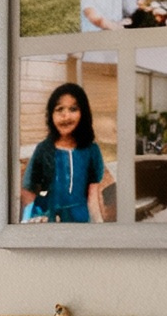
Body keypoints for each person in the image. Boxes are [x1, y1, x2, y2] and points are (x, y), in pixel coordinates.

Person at [20, 83, 106, 223]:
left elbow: (93, 197)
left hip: (81, 222)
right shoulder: (43, 150)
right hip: (49, 220)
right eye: (59, 109)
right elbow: (28, 189)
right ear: (51, 115)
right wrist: (36, 216)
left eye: (73, 109)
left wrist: (99, 228)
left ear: (83, 113)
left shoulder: (91, 150)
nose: (66, 116)